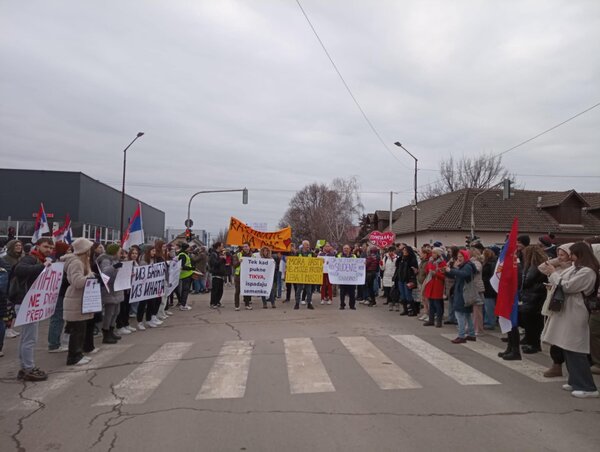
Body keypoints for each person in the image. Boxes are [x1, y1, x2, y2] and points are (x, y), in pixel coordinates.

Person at [540, 242, 599, 398]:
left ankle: (587, 387)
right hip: (567, 310)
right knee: (567, 346)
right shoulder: (575, 268)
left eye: (572, 254)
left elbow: (566, 286)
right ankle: (575, 380)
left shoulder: (588, 271)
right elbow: (559, 279)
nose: (570, 257)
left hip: (576, 311)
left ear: (580, 254)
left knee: (576, 347)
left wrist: (553, 273)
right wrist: (554, 269)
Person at [10, 237, 54, 381]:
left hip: (30, 303)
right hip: (26, 302)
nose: (49, 250)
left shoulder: (39, 259)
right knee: (30, 338)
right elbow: (19, 270)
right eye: (46, 246)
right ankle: (28, 368)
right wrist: (43, 267)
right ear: (38, 246)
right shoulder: (31, 258)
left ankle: (25, 367)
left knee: (26, 338)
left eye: (50, 248)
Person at [538, 243, 573, 377]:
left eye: (562, 254)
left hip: (566, 305)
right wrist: (557, 260)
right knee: (554, 335)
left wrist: (554, 273)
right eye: (558, 254)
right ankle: (556, 364)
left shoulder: (573, 269)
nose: (560, 257)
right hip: (553, 302)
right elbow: (541, 267)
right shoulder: (557, 265)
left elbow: (564, 284)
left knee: (565, 337)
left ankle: (570, 368)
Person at [63, 238, 95, 365]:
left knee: (81, 329)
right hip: (75, 299)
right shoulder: (76, 263)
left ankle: (78, 353)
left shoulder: (82, 261)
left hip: (81, 299)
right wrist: (89, 277)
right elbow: (77, 282)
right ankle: (73, 356)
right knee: (77, 330)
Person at [518, 245, 548, 354]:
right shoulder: (540, 265)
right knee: (534, 321)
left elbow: (527, 281)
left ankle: (533, 344)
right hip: (535, 296)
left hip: (533, 297)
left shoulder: (534, 266)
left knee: (531, 322)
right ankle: (532, 342)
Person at [445, 249, 477, 344]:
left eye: (461, 257)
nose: (459, 258)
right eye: (458, 256)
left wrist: (451, 270)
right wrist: (446, 271)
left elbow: (463, 274)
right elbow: (456, 276)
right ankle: (471, 334)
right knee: (467, 315)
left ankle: (461, 335)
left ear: (465, 257)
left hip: (463, 293)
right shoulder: (464, 265)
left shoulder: (467, 266)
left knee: (460, 315)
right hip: (462, 292)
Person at [96, 243, 125, 344]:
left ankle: (112, 330)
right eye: (119, 251)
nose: (120, 253)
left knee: (116, 312)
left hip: (117, 289)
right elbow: (105, 273)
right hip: (109, 290)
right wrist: (115, 267)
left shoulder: (115, 260)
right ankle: (106, 332)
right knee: (109, 313)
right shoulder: (106, 260)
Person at [47, 241, 71, 353]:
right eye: (67, 250)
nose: (69, 252)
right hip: (59, 294)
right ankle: (54, 344)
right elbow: (61, 280)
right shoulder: (57, 263)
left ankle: (55, 342)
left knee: (59, 318)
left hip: (61, 293)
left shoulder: (61, 262)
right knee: (57, 318)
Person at [116, 246, 139, 335]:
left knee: (127, 307)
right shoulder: (126, 262)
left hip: (131, 288)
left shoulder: (136, 263)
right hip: (124, 287)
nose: (134, 255)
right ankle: (120, 325)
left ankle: (126, 323)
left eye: (136, 253)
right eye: (133, 253)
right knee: (123, 307)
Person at [3, 239, 23, 339]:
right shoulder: (6, 258)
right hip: (7, 286)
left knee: (12, 310)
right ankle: (6, 329)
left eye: (20, 245)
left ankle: (10, 328)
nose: (19, 247)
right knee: (7, 309)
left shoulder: (20, 258)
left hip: (16, 287)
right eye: (16, 246)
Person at [423, 247, 446, 327]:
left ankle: (439, 321)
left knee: (437, 304)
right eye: (432, 253)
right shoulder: (430, 262)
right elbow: (426, 271)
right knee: (431, 304)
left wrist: (435, 274)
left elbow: (444, 276)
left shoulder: (442, 263)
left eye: (434, 253)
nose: (433, 255)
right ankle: (431, 320)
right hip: (430, 284)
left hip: (437, 285)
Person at [394, 245, 418, 316]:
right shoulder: (401, 259)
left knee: (408, 295)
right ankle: (405, 310)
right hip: (400, 279)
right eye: (403, 250)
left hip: (408, 279)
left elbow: (415, 269)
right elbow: (397, 266)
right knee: (402, 296)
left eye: (405, 250)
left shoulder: (412, 259)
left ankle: (412, 310)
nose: (403, 252)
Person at [294, 240, 315, 310]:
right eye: (306, 245)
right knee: (299, 290)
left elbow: (316, 261)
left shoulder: (311, 253)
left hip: (308, 274)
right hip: (300, 274)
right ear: (303, 245)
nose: (308, 246)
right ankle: (297, 303)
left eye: (308, 245)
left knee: (309, 290)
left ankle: (309, 303)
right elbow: (293, 261)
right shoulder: (298, 252)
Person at [232, 243, 253, 310]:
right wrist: (239, 262)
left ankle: (247, 304)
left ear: (249, 247)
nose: (245, 248)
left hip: (248, 276)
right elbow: (234, 265)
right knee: (237, 291)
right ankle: (237, 306)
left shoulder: (253, 256)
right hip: (239, 276)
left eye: (246, 246)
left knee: (247, 290)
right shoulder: (237, 255)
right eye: (244, 247)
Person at [481, 248, 498, 330]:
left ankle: (490, 323)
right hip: (486, 287)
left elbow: (491, 276)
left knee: (489, 306)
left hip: (489, 288)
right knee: (486, 306)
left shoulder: (491, 264)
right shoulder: (488, 263)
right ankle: (486, 321)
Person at [337, 244, 356, 310]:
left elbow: (357, 264)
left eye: (347, 248)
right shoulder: (339, 256)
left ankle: (352, 305)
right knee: (342, 293)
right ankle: (342, 305)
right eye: (345, 248)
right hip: (343, 278)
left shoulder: (353, 256)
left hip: (351, 278)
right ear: (343, 249)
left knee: (352, 293)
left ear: (350, 249)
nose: (346, 250)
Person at [176, 242, 194, 310]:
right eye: (188, 247)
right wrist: (191, 268)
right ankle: (183, 305)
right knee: (185, 290)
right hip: (185, 275)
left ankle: (183, 303)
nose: (189, 248)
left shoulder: (184, 254)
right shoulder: (183, 255)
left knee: (185, 290)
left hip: (187, 274)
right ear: (186, 248)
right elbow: (182, 266)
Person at [209, 242, 227, 308]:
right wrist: (222, 259)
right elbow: (215, 263)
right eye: (221, 246)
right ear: (218, 246)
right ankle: (213, 303)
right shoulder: (213, 254)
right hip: (216, 274)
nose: (222, 247)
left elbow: (223, 263)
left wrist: (224, 259)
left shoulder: (219, 254)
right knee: (215, 290)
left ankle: (217, 302)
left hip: (221, 274)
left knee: (220, 290)